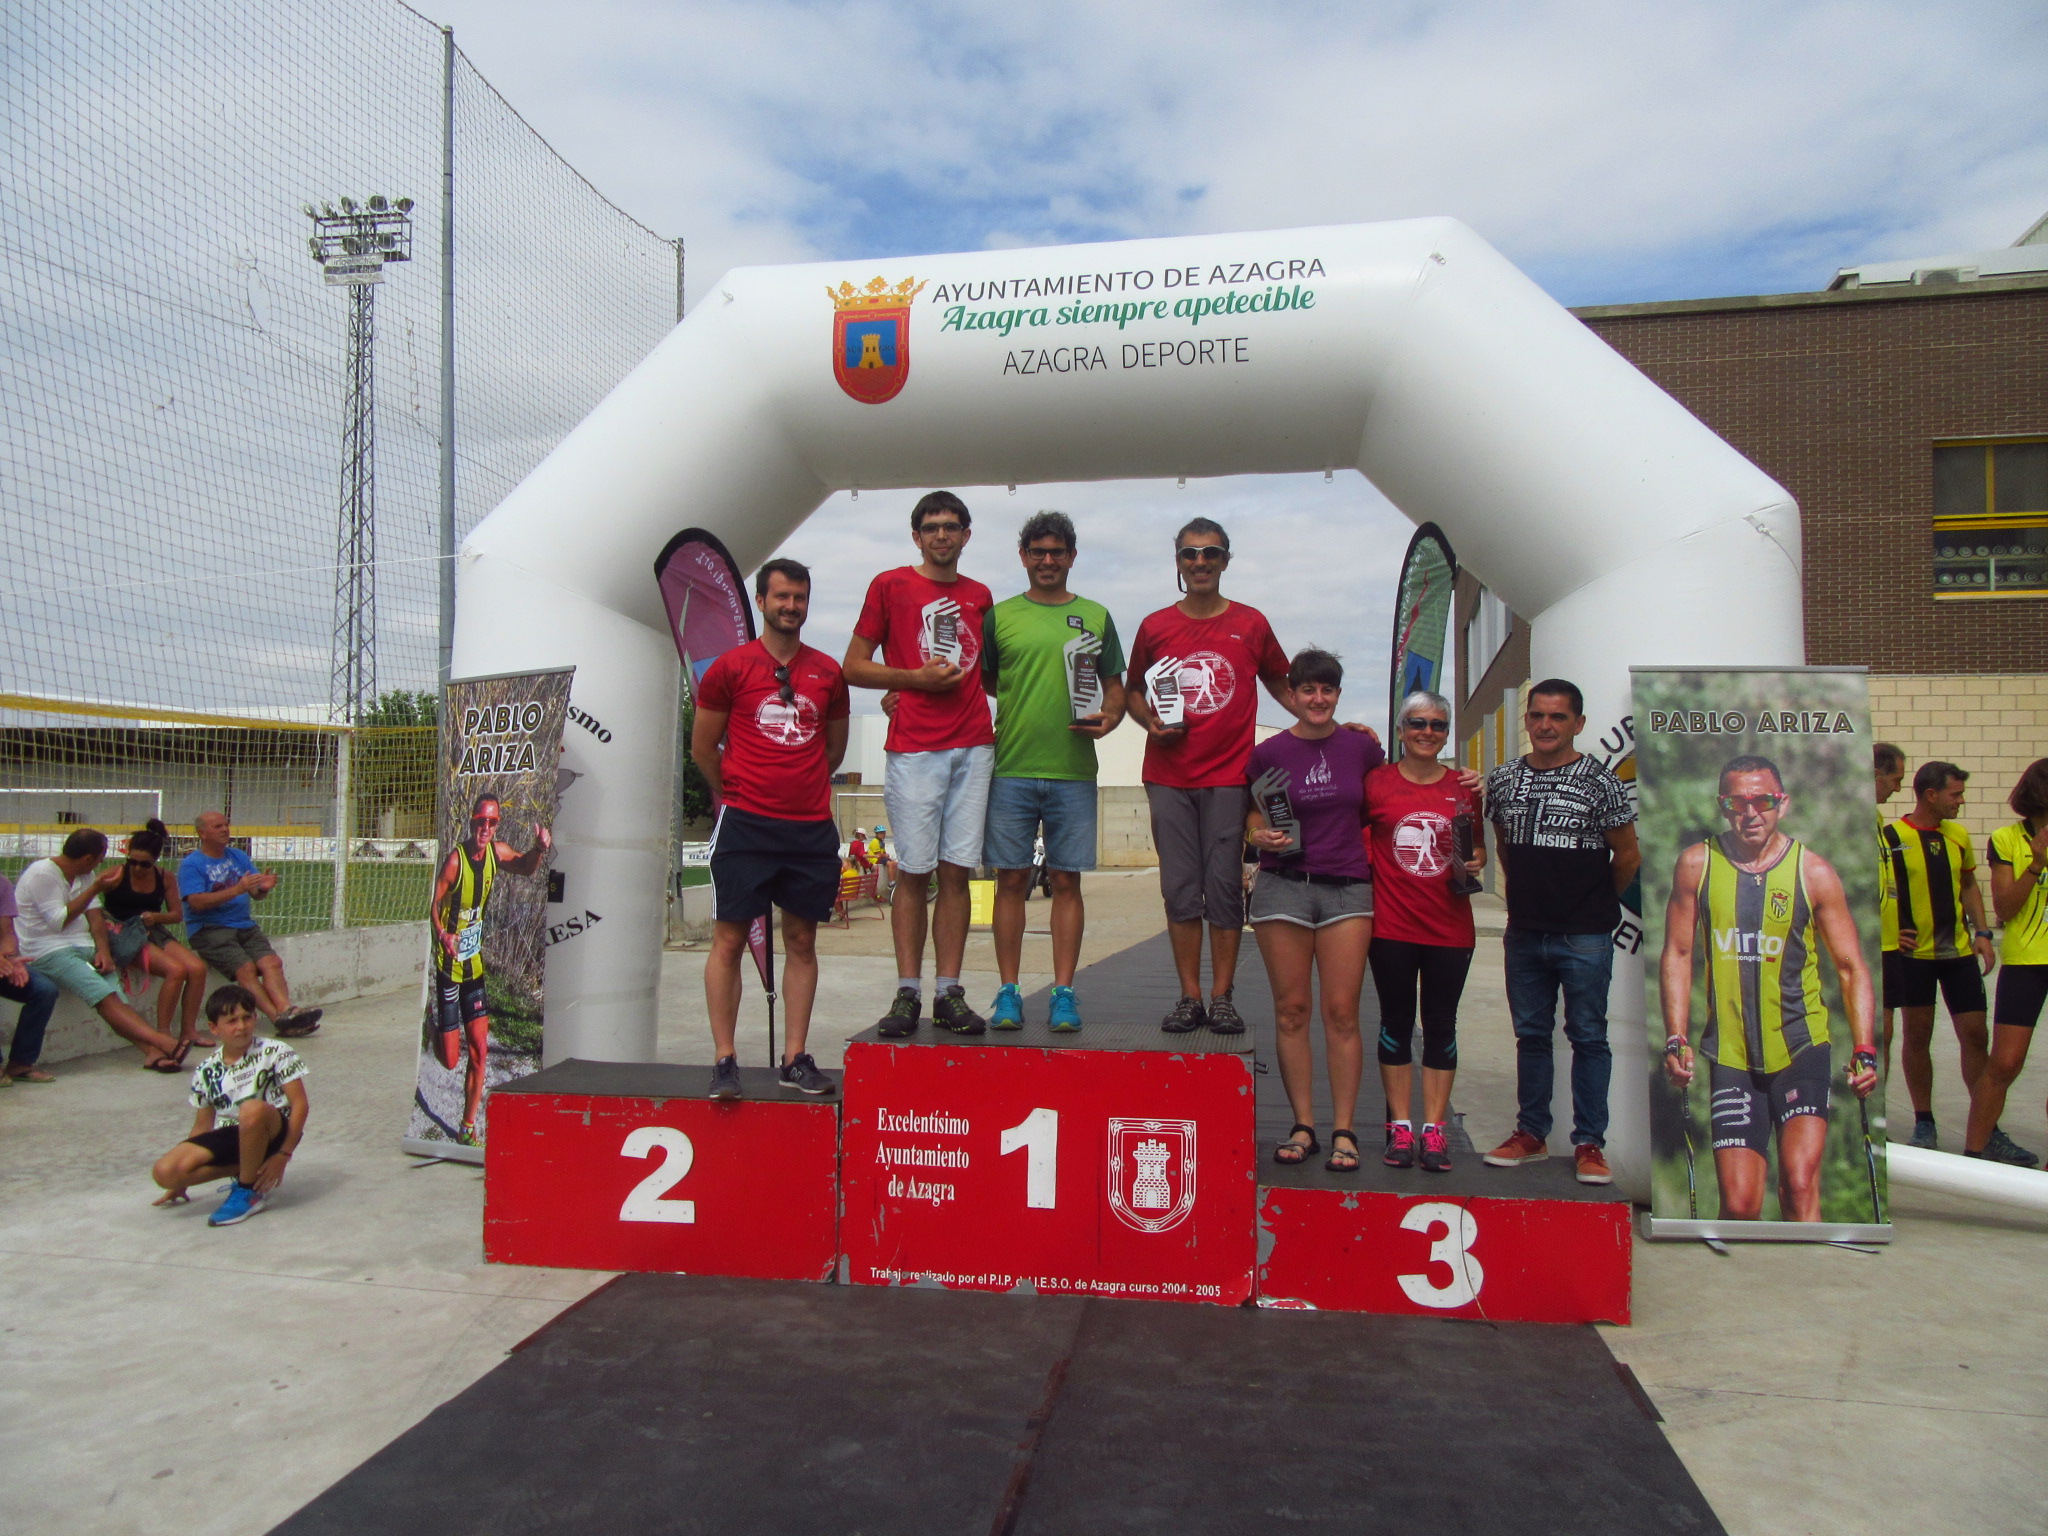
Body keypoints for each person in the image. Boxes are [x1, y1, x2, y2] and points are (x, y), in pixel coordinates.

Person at [1658, 755, 1880, 1221]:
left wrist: (1865, 1048)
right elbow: (1678, 954)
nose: (1750, 812)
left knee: (1799, 1185)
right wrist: (1676, 1037)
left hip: (1801, 1047)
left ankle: (1813, 1288)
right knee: (1740, 1206)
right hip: (1731, 1054)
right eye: (1737, 802)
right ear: (1722, 806)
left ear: (1782, 803)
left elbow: (1851, 968)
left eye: (1762, 800)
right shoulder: (1697, 864)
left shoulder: (1813, 871)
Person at [1125, 517, 1291, 1035]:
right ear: (1177, 561)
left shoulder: (1252, 623)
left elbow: (1286, 686)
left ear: (1225, 560)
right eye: (1190, 554)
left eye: (1211, 553)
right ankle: (1188, 996)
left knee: (1222, 888)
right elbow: (1133, 691)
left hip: (1228, 777)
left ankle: (1222, 996)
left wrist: (1327, 722)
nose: (1200, 563)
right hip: (1169, 776)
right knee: (1180, 889)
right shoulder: (1155, 626)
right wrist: (1148, 719)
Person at [696, 557, 849, 1097]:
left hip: (808, 830)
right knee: (729, 939)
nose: (791, 606)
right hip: (746, 827)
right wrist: (740, 790)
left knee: (802, 940)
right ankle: (724, 1060)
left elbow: (833, 749)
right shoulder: (730, 668)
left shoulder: (829, 672)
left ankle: (795, 1058)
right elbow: (703, 748)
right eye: (781, 597)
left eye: (800, 598)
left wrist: (798, 786)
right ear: (761, 602)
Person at [844, 492, 995, 1038]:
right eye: (931, 527)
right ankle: (907, 991)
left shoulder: (980, 595)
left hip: (975, 744)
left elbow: (989, 671)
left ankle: (947, 992)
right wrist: (909, 681)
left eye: (952, 526)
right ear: (916, 536)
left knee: (958, 872)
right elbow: (854, 667)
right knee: (913, 871)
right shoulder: (890, 585)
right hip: (914, 748)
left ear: (966, 535)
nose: (942, 535)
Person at [1481, 679, 1640, 1185]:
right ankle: (1531, 1132)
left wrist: (1594, 904)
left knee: (1589, 1036)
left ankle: (1590, 1143)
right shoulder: (1504, 780)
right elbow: (1505, 847)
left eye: (1558, 717)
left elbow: (1628, 855)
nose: (1546, 726)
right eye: (1538, 716)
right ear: (1526, 719)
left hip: (1585, 936)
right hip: (1525, 932)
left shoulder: (1601, 782)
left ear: (1579, 724)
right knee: (1531, 1036)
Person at [981, 511, 1127, 1033]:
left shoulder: (1096, 615)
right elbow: (986, 682)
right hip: (1011, 767)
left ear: (1071, 556)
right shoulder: (999, 617)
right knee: (1011, 881)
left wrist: (1109, 717)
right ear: (1023, 557)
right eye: (1037, 551)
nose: (1047, 560)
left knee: (1066, 880)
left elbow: (1116, 688)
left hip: (1073, 771)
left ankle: (1064, 993)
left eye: (1057, 551)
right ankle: (1008, 992)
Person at [1245, 650, 1384, 1169]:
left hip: (1347, 889)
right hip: (1284, 888)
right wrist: (1259, 836)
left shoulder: (1362, 748)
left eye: (1327, 690)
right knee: (1291, 1010)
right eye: (1308, 690)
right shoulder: (1269, 753)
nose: (1317, 699)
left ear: (1338, 695)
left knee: (1343, 1012)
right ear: (1292, 695)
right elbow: (1253, 819)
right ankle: (1303, 1124)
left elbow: (1387, 801)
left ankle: (1344, 1128)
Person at [1365, 691, 1486, 1173]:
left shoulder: (1465, 787)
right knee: (1395, 1023)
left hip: (1450, 928)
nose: (1427, 732)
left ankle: (1434, 1130)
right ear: (1400, 730)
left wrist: (1477, 861)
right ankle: (1399, 1125)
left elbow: (1473, 854)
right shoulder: (1375, 784)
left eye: (1438, 725)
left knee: (1441, 1026)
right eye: (1417, 723)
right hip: (1391, 925)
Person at [1883, 763, 2028, 1161]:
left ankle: (1988, 1129)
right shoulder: (1891, 836)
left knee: (1977, 1036)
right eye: (1956, 795)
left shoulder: (1958, 836)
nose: (1961, 802)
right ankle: (1924, 1121)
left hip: (1958, 953)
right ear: (1931, 795)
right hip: (1914, 957)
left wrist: (1982, 933)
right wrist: (1890, 930)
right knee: (1917, 1037)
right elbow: (1882, 890)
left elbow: (1968, 885)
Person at [427, 793, 554, 1144]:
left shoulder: (497, 853)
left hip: (474, 968)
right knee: (451, 1060)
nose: (486, 827)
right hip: (449, 967)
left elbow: (526, 867)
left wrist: (540, 848)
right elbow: (432, 905)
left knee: (480, 1049)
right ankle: (433, 1029)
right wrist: (442, 933)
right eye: (481, 821)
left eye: (492, 822)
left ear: (498, 824)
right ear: (472, 821)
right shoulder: (456, 861)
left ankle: (467, 1126)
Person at [16, 828, 185, 1071]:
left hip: (84, 946)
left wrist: (103, 951)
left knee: (115, 993)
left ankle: (151, 1053)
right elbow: (58, 920)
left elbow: (96, 918)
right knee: (103, 995)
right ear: (87, 859)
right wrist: (95, 888)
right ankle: (161, 1041)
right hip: (47, 950)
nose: (102, 862)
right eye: (100, 857)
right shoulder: (42, 874)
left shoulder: (85, 875)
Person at [151, 984, 309, 1226]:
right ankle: (251, 1168)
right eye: (232, 1020)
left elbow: (300, 1105)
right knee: (164, 1171)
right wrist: (181, 1182)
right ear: (214, 1028)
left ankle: (247, 1191)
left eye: (247, 1017)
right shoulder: (206, 1070)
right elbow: (202, 1127)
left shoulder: (276, 1051)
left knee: (251, 1109)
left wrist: (283, 1155)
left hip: (273, 1129)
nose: (241, 1026)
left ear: (256, 1018)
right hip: (235, 1135)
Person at [1964, 759, 2048, 1161]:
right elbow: (2006, 907)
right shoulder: (2006, 839)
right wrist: (2035, 864)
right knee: (2005, 1062)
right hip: (2026, 963)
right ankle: (1975, 1152)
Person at [178, 812, 322, 1037]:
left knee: (272, 962)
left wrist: (262, 887)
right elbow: (195, 902)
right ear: (202, 833)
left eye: (226, 824)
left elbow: (255, 892)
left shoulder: (237, 856)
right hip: (209, 929)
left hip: (244, 925)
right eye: (218, 826)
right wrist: (237, 889)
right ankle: (279, 1020)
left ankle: (286, 1010)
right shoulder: (192, 864)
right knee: (245, 969)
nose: (225, 829)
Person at [103, 821, 212, 1052]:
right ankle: (163, 1034)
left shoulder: (165, 877)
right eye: (132, 861)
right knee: (176, 970)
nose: (137, 868)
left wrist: (155, 917)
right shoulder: (115, 874)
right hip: (124, 934)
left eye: (145, 864)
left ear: (155, 860)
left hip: (153, 929)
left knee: (197, 968)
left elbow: (176, 915)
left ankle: (189, 1030)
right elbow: (92, 902)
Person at [0, 866, 60, 1085]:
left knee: (44, 990)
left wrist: (10, 958)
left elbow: (7, 933)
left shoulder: (2, 884)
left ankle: (20, 1063)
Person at [1873, 743, 1906, 1085]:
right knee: (1875, 1031)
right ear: (1875, 774)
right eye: (1895, 779)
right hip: (1869, 944)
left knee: (1886, 1031)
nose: (1897, 788)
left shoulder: (1879, 819)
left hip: (1889, 943)